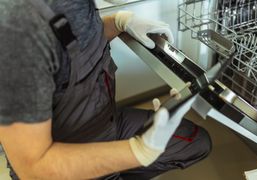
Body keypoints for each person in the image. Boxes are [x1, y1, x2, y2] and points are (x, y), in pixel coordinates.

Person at [0, 0, 212, 179]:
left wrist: (118, 22)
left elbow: (71, 42)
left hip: (105, 124)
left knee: (195, 141)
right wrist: (137, 151)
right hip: (61, 160)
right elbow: (33, 168)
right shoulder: (17, 34)